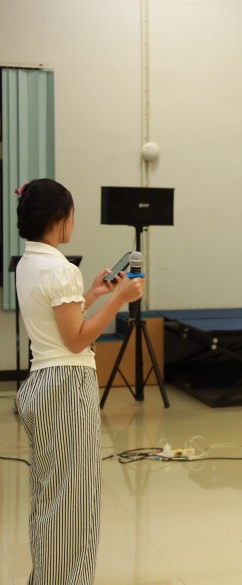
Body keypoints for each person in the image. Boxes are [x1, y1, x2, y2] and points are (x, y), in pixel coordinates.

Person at [14, 178, 145, 584]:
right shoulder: (60, 268)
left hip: (42, 383)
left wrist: (93, 294)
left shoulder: (29, 262)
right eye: (72, 214)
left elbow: (58, 320)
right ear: (60, 217)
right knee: (74, 502)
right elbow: (76, 339)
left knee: (51, 496)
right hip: (66, 386)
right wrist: (119, 299)